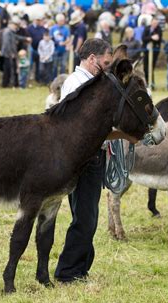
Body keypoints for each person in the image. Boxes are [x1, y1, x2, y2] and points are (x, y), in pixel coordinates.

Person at [54, 38, 113, 283]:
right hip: (84, 158)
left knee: (88, 214)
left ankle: (81, 267)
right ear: (92, 59)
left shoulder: (87, 82)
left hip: (91, 155)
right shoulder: (75, 84)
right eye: (105, 62)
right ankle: (69, 272)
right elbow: (78, 125)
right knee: (85, 215)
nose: (107, 67)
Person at [0, 17, 31, 88]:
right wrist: (11, 53)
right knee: (8, 70)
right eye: (16, 25)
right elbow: (7, 44)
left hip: (9, 54)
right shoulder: (8, 32)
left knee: (10, 69)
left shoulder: (10, 32)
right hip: (8, 54)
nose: (17, 27)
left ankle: (9, 84)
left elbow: (16, 37)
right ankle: (6, 84)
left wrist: (25, 38)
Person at [142, 16, 162, 88]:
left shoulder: (159, 29)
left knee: (151, 68)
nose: (155, 24)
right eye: (153, 23)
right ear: (151, 22)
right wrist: (151, 37)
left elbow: (158, 39)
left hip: (154, 52)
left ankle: (152, 84)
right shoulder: (147, 28)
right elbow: (143, 38)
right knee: (145, 68)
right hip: (146, 51)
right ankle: (147, 83)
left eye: (156, 23)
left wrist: (150, 38)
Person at [27, 17, 47, 83]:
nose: (39, 21)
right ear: (34, 20)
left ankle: (38, 79)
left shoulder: (43, 28)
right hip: (32, 49)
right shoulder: (29, 28)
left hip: (40, 50)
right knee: (30, 64)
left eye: (40, 20)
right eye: (37, 20)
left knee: (39, 65)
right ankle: (29, 79)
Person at [50, 13, 70, 79]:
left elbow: (68, 39)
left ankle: (62, 80)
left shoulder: (66, 28)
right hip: (55, 50)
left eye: (64, 20)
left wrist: (63, 43)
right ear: (58, 21)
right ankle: (54, 79)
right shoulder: (53, 28)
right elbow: (50, 38)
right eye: (62, 20)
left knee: (63, 65)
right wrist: (57, 43)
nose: (63, 21)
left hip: (63, 50)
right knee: (55, 65)